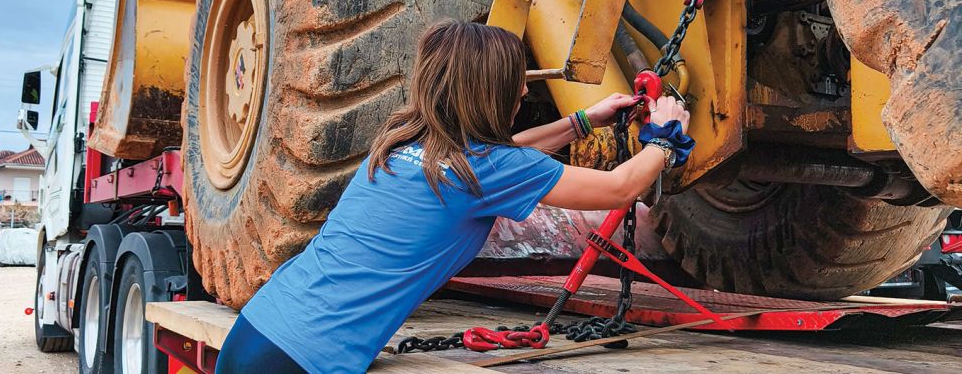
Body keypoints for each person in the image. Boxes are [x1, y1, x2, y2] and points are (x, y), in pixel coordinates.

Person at [215, 20, 693, 373]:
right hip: (305, 362)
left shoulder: (401, 141)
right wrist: (664, 137)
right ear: (488, 91)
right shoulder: (486, 171)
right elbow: (621, 188)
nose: (524, 89)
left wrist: (583, 121)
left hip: (257, 331)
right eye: (515, 80)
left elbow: (498, 159)